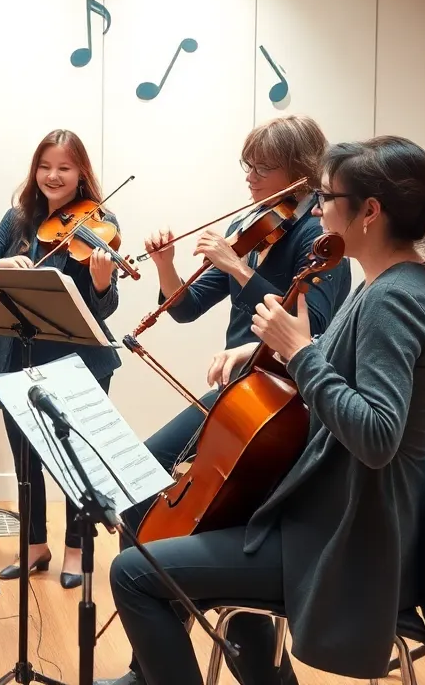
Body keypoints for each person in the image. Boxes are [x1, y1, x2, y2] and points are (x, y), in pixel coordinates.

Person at [98, 135, 425, 685]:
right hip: (328, 510)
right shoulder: (389, 284)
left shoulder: (395, 299)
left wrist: (299, 350)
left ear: (368, 212)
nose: (316, 209)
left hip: (341, 533)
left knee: (133, 571)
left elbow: (378, 435)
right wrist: (268, 349)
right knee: (176, 531)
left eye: (327, 198)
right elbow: (337, 371)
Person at [109, 115, 352, 683]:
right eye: (247, 166)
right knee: (137, 488)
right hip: (237, 399)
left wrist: (240, 270)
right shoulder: (262, 226)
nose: (249, 178)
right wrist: (170, 267)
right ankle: (156, 664)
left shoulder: (319, 238)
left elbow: (310, 327)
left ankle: (157, 668)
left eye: (260, 168)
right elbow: (187, 306)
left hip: (275, 413)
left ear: (299, 173)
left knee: (179, 521)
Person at [0, 129, 123, 589]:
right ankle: (34, 545)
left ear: (81, 172)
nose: (53, 176)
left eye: (64, 167)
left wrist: (102, 284)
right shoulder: (18, 220)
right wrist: (1, 264)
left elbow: (105, 308)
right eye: (45, 166)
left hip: (78, 361)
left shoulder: (99, 224)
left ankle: (76, 548)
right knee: (26, 459)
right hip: (15, 357)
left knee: (74, 459)